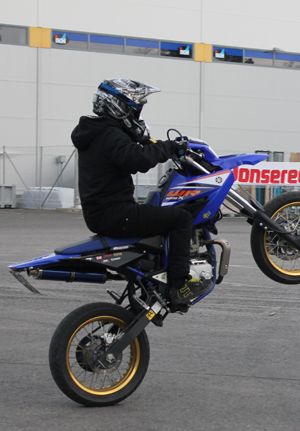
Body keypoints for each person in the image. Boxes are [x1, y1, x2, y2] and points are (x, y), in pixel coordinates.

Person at [71, 79, 210, 307]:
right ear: (118, 106)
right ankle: (178, 286)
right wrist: (170, 147)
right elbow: (138, 159)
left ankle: (156, 275)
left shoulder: (97, 132)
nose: (136, 113)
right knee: (181, 218)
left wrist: (151, 143)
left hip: (103, 213)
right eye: (134, 108)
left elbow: (130, 151)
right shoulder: (110, 135)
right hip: (116, 214)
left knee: (159, 213)